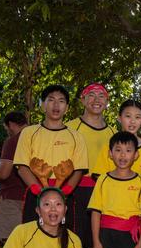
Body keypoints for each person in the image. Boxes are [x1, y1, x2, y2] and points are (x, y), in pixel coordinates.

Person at [13, 85, 89, 225]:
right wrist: (40, 192)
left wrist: (63, 193)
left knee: (64, 240)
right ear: (42, 105)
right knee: (33, 239)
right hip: (36, 192)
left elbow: (79, 170)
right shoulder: (28, 133)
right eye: (51, 100)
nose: (56, 105)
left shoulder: (76, 136)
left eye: (61, 101)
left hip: (64, 195)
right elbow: (22, 167)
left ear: (66, 108)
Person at [89, 132, 141, 248]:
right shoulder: (103, 179)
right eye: (118, 150)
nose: (123, 155)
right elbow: (95, 212)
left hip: (130, 237)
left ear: (136, 155)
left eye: (128, 150)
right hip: (106, 236)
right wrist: (96, 241)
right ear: (110, 153)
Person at [66, 83, 117, 247]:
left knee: (101, 237)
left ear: (107, 101)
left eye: (101, 96)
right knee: (76, 235)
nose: (96, 100)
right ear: (83, 100)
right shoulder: (70, 127)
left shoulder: (113, 133)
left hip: (105, 192)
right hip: (77, 189)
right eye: (91, 95)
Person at [92, 100, 141, 180]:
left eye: (137, 117)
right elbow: (99, 176)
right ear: (119, 118)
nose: (132, 121)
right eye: (128, 116)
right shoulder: (109, 146)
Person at [0, 112, 28, 241]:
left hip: (12, 197)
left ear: (11, 124)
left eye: (6, 128)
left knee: (12, 242)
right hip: (35, 196)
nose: (7, 131)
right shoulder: (39, 137)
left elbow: (4, 173)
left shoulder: (13, 141)